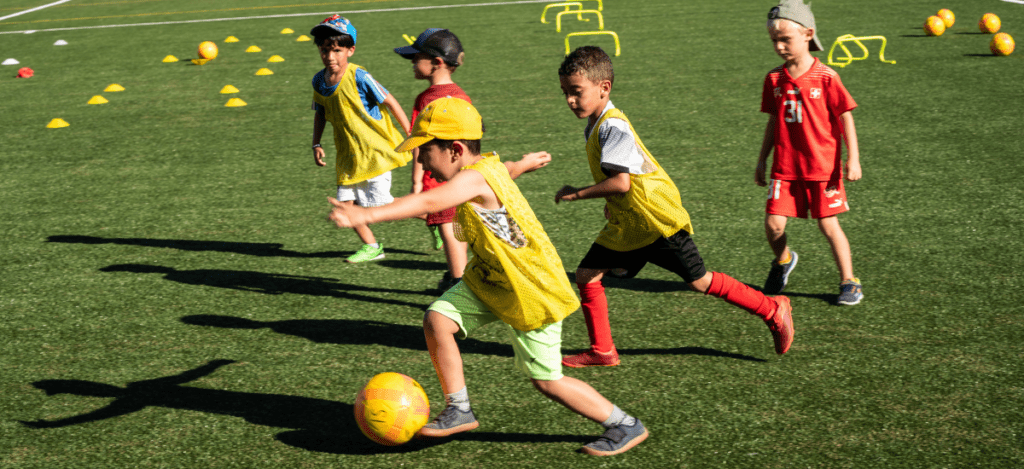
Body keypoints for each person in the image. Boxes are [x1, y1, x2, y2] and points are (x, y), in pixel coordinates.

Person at [327, 98, 648, 456]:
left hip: (529, 287)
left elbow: (429, 204)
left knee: (547, 380)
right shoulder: (487, 166)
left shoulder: (473, 177)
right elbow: (504, 170)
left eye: (426, 150)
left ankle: (624, 424)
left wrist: (364, 216)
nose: (422, 160)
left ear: (455, 149)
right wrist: (524, 164)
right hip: (492, 278)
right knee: (437, 320)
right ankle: (459, 409)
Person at [555, 46, 794, 368]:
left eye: (576, 92)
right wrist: (612, 204)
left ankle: (771, 308)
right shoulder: (598, 124)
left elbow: (622, 182)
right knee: (586, 275)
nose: (570, 100)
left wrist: (578, 193)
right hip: (630, 223)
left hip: (655, 221)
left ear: (604, 88)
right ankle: (603, 350)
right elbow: (621, 181)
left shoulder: (613, 126)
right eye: (565, 93)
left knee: (700, 281)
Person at [756, 0, 863, 305]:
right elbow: (774, 122)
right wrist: (762, 159)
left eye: (785, 39)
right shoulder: (774, 79)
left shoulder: (826, 77)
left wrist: (852, 159)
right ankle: (783, 261)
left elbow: (845, 116)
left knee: (828, 225)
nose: (779, 47)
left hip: (822, 168)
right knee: (773, 225)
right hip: (784, 168)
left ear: (808, 35)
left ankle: (849, 280)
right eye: (774, 40)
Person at [309, 15, 413, 263]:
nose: (330, 56)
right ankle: (372, 247)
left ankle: (432, 214)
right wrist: (316, 143)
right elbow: (320, 112)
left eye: (337, 50)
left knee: (381, 209)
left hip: (374, 152)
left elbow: (390, 100)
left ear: (350, 50)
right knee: (345, 205)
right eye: (325, 50)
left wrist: (410, 132)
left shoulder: (359, 77)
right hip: (348, 155)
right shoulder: (318, 81)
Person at [394, 28, 471, 291]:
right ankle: (456, 275)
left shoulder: (426, 99)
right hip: (464, 173)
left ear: (437, 63)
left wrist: (417, 182)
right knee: (456, 224)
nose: (413, 63)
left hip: (436, 175)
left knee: (447, 227)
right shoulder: (461, 95)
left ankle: (459, 286)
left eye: (417, 58)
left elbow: (419, 144)